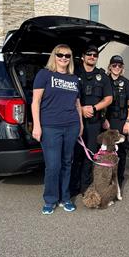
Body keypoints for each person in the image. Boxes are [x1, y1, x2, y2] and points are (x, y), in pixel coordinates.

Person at [32, 44, 83, 215]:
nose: (63, 58)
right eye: (60, 55)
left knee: (67, 163)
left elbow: (77, 103)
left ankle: (65, 198)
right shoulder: (44, 74)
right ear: (54, 56)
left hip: (71, 125)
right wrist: (37, 126)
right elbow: (36, 102)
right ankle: (50, 199)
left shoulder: (74, 79)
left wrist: (81, 124)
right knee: (53, 165)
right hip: (50, 127)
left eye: (67, 56)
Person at [70, 45, 113, 196]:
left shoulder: (102, 76)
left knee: (90, 155)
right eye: (89, 54)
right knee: (75, 155)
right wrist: (81, 109)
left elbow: (108, 98)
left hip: (94, 122)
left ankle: (85, 187)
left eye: (95, 55)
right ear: (83, 56)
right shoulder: (73, 73)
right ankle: (72, 187)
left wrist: (94, 108)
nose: (92, 57)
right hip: (74, 121)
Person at [102, 55, 129, 187]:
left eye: (119, 66)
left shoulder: (125, 82)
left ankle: (118, 181)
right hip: (106, 122)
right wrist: (103, 119)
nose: (117, 68)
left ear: (122, 68)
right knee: (106, 152)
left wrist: (128, 121)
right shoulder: (104, 80)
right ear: (110, 67)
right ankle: (106, 179)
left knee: (120, 152)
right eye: (114, 65)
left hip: (121, 122)